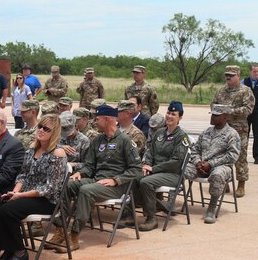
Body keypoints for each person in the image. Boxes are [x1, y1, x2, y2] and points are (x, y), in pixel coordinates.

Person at [51, 105, 141, 250]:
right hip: (97, 180)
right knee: (66, 185)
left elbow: (136, 170)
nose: (95, 122)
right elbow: (89, 165)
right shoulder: (98, 140)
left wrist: (115, 180)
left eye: (97, 119)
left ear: (107, 119)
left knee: (86, 190)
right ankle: (61, 229)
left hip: (116, 186)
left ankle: (74, 236)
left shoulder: (125, 141)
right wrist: (81, 173)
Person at [0, 114, 68, 260]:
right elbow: (23, 175)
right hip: (26, 195)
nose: (41, 130)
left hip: (47, 200)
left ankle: (19, 251)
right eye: (40, 126)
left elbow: (50, 188)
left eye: (46, 129)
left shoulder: (57, 153)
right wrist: (14, 192)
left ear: (54, 133)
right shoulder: (32, 149)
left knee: (8, 211)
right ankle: (6, 247)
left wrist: (20, 195)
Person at [137, 101, 190, 231]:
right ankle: (129, 214)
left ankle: (151, 218)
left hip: (173, 174)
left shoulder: (181, 136)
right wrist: (146, 164)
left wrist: (154, 169)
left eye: (173, 114)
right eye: (168, 113)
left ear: (180, 117)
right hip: (156, 172)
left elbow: (176, 161)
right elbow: (150, 152)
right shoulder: (159, 133)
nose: (169, 116)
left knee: (146, 182)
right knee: (133, 177)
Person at [183, 104, 240, 224]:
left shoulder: (232, 134)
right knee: (180, 168)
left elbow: (233, 156)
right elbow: (195, 149)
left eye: (216, 115)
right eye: (212, 114)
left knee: (218, 175)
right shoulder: (206, 132)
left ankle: (211, 208)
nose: (212, 117)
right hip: (201, 166)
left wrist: (211, 164)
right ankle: (171, 200)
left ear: (225, 117)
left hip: (221, 167)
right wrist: (198, 162)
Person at [212, 65, 254, 197]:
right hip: (222, 129)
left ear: (238, 76)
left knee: (240, 157)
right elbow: (213, 104)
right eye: (226, 75)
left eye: (231, 75)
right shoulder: (221, 91)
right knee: (221, 156)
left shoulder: (245, 91)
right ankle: (224, 183)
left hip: (239, 130)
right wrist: (218, 112)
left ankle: (241, 184)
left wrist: (230, 111)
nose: (228, 77)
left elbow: (248, 109)